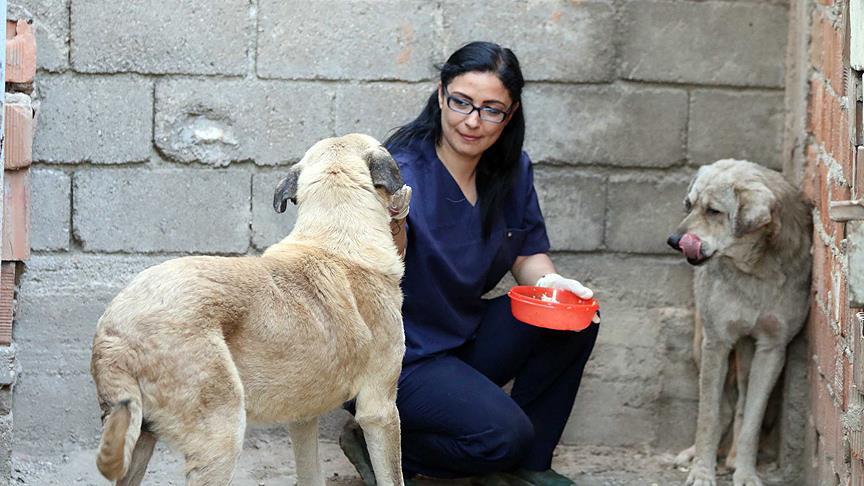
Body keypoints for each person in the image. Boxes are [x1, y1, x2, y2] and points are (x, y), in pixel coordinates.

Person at [341, 41, 601, 486]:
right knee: (503, 436)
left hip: (459, 336)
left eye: (491, 109)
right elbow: (376, 271)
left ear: (511, 114)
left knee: (577, 319)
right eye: (461, 102)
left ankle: (529, 465)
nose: (473, 121)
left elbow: (526, 251)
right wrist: (394, 218)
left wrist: (552, 284)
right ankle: (379, 441)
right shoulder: (399, 172)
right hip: (398, 355)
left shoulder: (511, 170)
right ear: (441, 94)